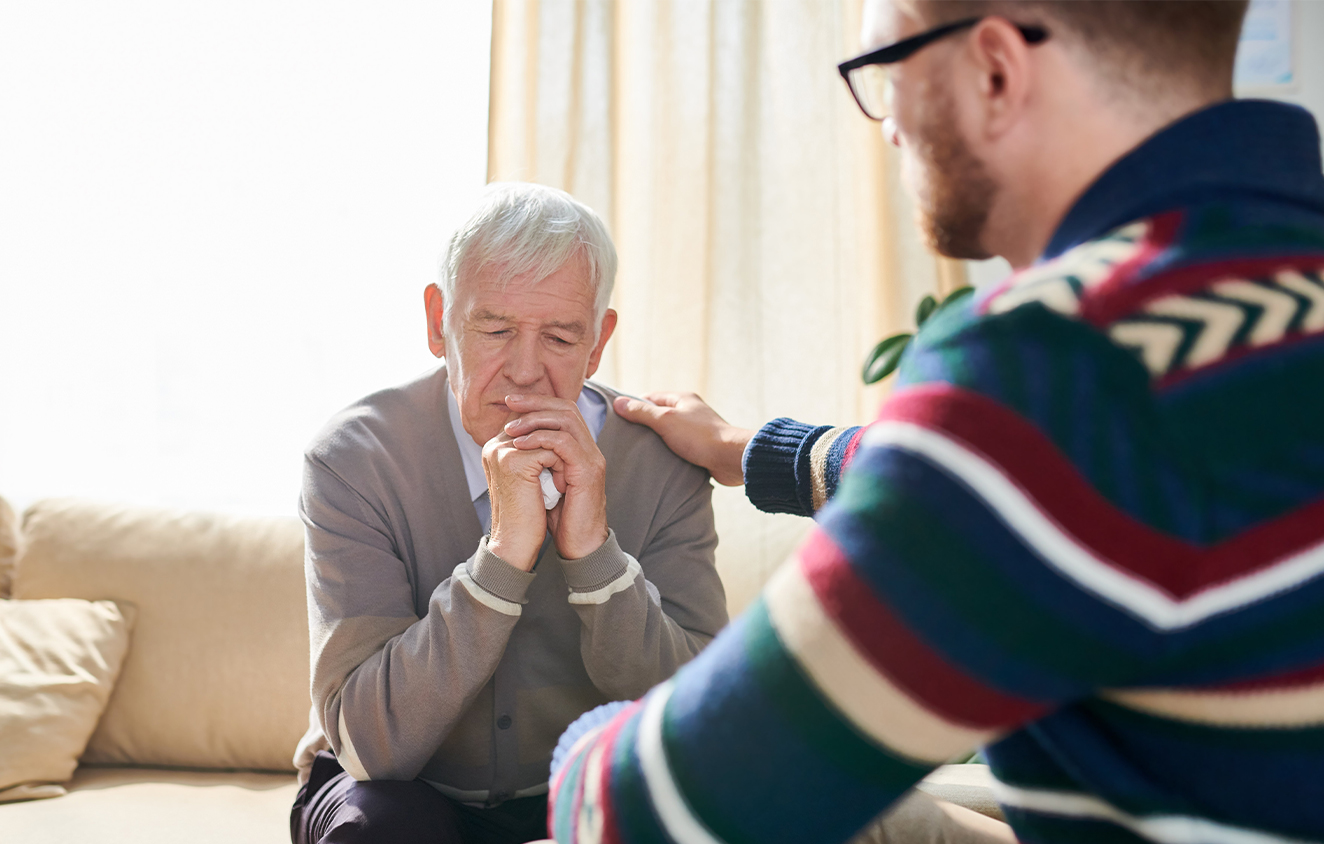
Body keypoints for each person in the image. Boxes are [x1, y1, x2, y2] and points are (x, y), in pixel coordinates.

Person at [547, 1, 1324, 842]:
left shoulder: (1058, 364)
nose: (887, 130)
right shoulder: (1253, 310)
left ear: (994, 69)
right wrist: (755, 452)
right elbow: (1096, 472)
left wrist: (576, 758)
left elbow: (651, 810)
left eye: (885, 70)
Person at [290, 182, 729, 844]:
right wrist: (503, 555)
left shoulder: (662, 460)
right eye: (494, 329)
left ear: (599, 340)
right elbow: (373, 746)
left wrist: (594, 556)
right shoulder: (354, 458)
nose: (524, 371)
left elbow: (701, 722)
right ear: (438, 322)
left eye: (559, 336)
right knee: (380, 828)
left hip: (584, 788)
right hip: (400, 793)